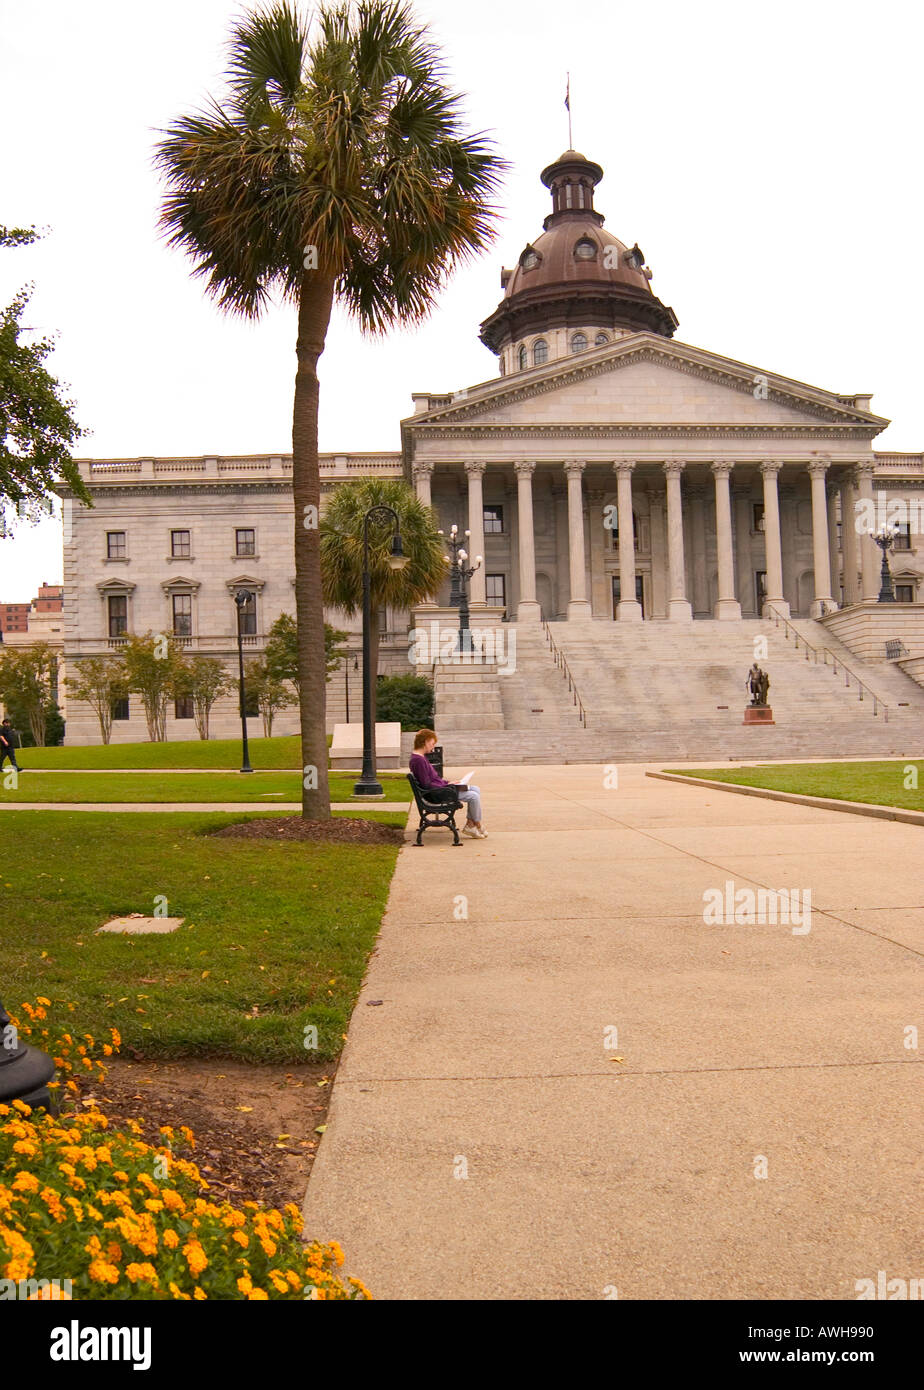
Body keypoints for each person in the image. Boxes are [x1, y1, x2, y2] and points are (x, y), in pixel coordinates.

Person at [409, 728, 487, 839]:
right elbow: (427, 784)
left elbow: (433, 779)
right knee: (473, 796)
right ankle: (476, 824)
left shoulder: (420, 758)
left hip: (439, 790)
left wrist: (449, 782)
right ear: (425, 742)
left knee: (475, 789)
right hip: (436, 794)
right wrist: (447, 786)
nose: (433, 746)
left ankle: (471, 824)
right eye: (432, 743)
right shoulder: (418, 760)